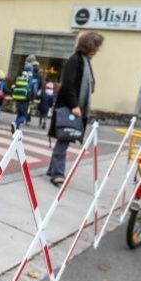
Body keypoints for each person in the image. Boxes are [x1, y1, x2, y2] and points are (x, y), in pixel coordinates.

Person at [47, 31, 103, 186]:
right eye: (97, 47)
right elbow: (68, 84)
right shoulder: (75, 60)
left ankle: (53, 170)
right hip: (69, 107)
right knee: (64, 138)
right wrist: (74, 105)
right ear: (89, 46)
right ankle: (57, 173)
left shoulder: (85, 61)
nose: (98, 50)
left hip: (75, 107)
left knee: (64, 137)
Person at [10, 65, 33, 133]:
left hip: (18, 97)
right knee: (24, 115)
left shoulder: (22, 76)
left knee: (19, 113)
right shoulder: (30, 77)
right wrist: (32, 97)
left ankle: (16, 128)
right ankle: (15, 123)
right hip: (26, 98)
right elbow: (33, 88)